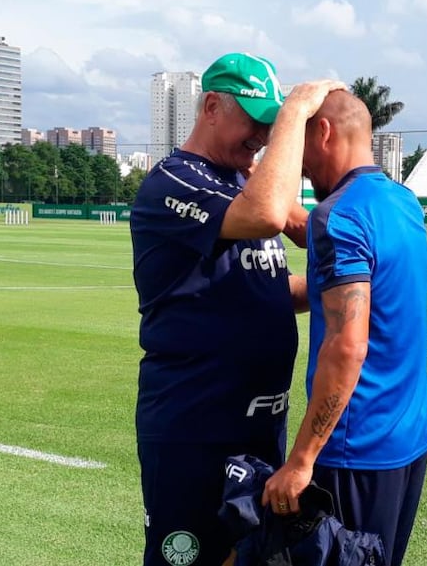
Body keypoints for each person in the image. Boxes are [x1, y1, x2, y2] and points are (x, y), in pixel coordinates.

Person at [130, 51, 344, 566]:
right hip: (195, 426)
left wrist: (347, 290)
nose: (263, 135)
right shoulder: (173, 182)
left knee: (253, 556)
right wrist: (294, 112)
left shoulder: (241, 179)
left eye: (271, 123)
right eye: (256, 120)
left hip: (261, 427)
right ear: (210, 107)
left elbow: (287, 266)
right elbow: (271, 215)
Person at [261, 90, 427, 566]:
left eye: (300, 148)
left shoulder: (337, 218)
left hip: (355, 446)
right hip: (409, 436)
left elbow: (346, 347)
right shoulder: (402, 202)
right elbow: (327, 243)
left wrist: (300, 460)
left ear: (323, 132)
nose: (298, 167)